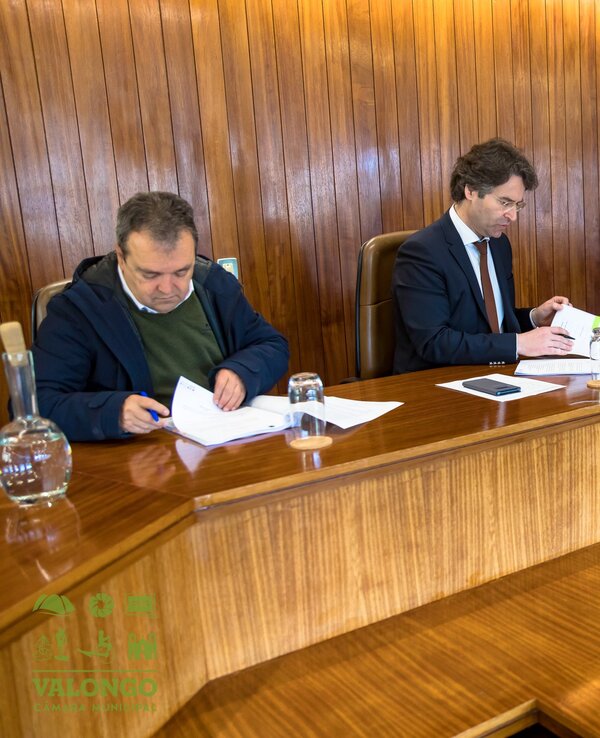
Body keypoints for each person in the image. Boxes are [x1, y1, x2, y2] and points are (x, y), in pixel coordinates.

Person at [32, 191, 289, 442]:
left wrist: (242, 372)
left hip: (225, 439)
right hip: (140, 454)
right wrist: (114, 412)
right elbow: (40, 401)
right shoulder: (78, 310)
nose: (167, 289)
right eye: (150, 275)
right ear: (121, 257)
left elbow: (271, 344)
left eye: (181, 272)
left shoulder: (212, 283)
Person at [392, 138, 573, 374]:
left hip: (494, 375)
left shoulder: (499, 244)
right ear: (470, 190)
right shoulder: (422, 252)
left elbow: (491, 325)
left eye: (518, 205)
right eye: (505, 202)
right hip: (435, 382)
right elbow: (434, 342)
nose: (512, 216)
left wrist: (534, 318)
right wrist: (518, 344)